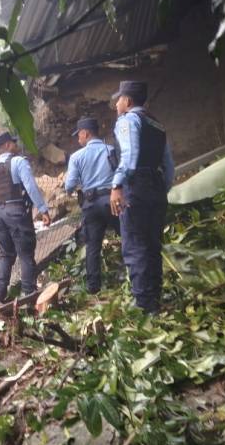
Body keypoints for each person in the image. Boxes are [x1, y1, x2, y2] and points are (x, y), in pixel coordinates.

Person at [109, 81, 175, 313]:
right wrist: (160, 189)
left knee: (136, 246)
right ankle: (154, 301)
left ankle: (144, 310)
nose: (116, 104)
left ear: (127, 101)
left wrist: (117, 185)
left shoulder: (127, 120)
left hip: (135, 188)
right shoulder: (157, 124)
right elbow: (169, 165)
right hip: (156, 189)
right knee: (152, 247)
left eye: (119, 99)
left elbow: (129, 155)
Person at [0, 132, 51, 303]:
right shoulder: (18, 162)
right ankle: (28, 295)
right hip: (17, 213)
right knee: (25, 255)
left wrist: (1, 208)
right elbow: (31, 187)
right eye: (13, 143)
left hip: (0, 215)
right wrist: (43, 209)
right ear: (7, 145)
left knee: (6, 255)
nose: (16, 145)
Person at [65, 117, 120, 294]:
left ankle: (93, 287)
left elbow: (69, 186)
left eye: (78, 135)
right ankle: (132, 276)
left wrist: (82, 181)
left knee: (93, 246)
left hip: (90, 204)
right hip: (111, 200)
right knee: (127, 235)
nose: (78, 139)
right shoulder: (110, 149)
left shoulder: (76, 157)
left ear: (85, 133)